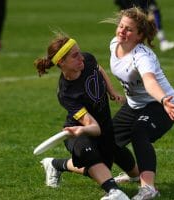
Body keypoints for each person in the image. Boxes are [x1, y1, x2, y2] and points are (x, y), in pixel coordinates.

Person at [34, 33, 130, 200]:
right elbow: (94, 128)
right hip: (80, 131)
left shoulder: (87, 60)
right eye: (75, 55)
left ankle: (55, 164)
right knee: (90, 156)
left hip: (105, 128)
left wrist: (111, 91)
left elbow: (98, 69)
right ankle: (114, 192)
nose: (82, 58)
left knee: (129, 171)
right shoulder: (66, 93)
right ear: (61, 62)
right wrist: (79, 131)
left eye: (80, 52)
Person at [104, 7, 174, 200]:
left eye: (128, 29)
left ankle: (148, 188)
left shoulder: (142, 56)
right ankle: (134, 175)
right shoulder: (114, 44)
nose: (122, 31)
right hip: (134, 105)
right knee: (107, 140)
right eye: (121, 26)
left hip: (162, 104)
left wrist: (163, 99)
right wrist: (110, 91)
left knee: (139, 132)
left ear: (139, 36)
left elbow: (150, 82)